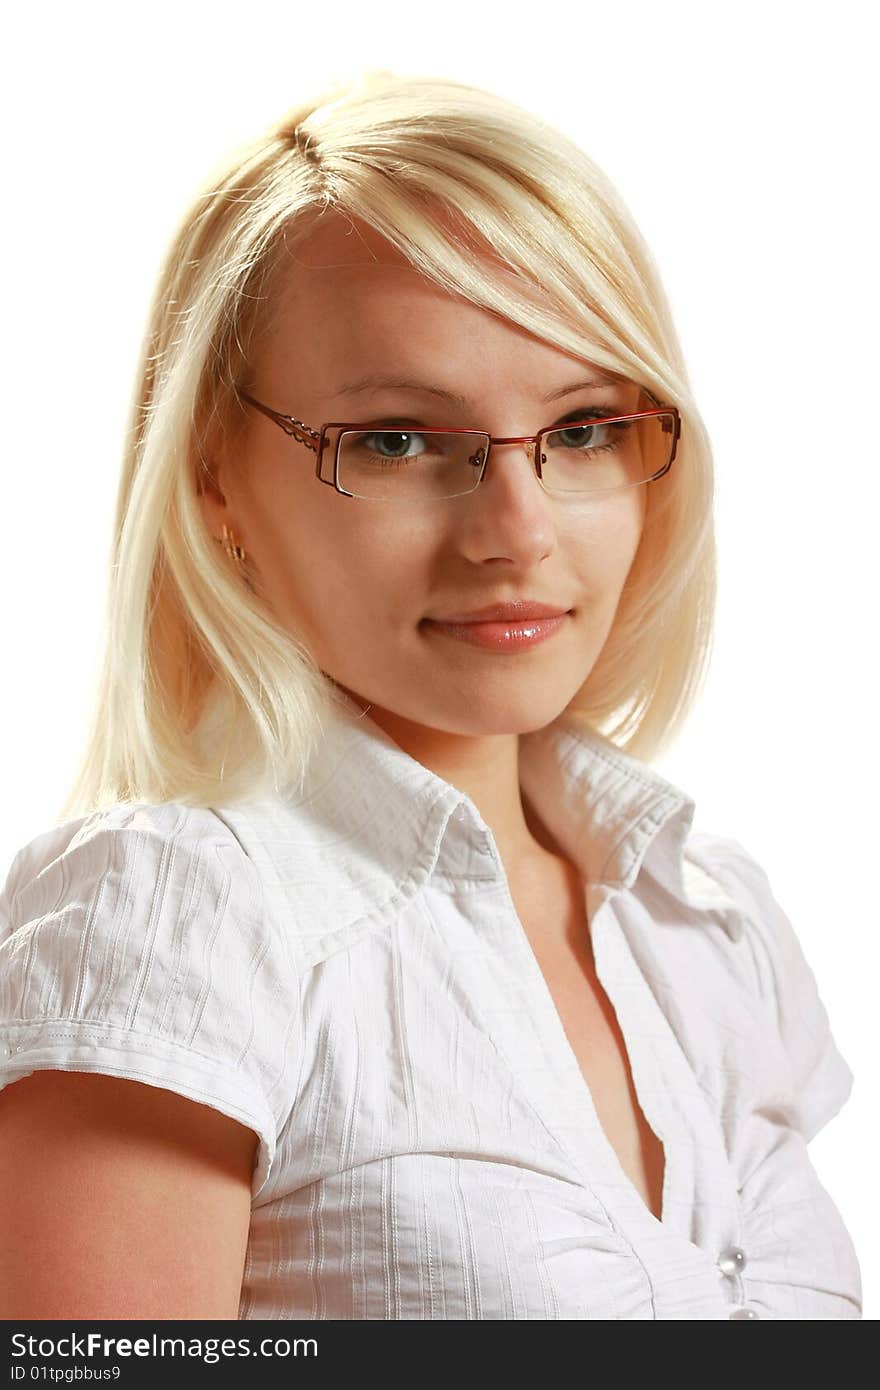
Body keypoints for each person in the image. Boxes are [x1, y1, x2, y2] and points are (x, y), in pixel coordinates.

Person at [0, 68, 861, 1321]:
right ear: (212, 483)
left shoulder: (709, 925)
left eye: (578, 430)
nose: (515, 533)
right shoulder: (174, 919)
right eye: (398, 438)